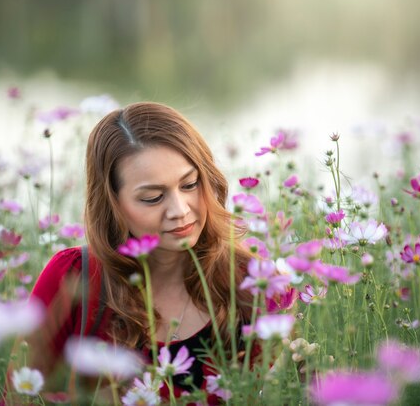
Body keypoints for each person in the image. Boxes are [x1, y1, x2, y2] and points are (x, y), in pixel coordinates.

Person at [19, 102, 255, 403]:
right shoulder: (74, 277)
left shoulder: (251, 283)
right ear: (112, 204)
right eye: (153, 198)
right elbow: (20, 393)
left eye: (190, 184)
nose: (180, 211)